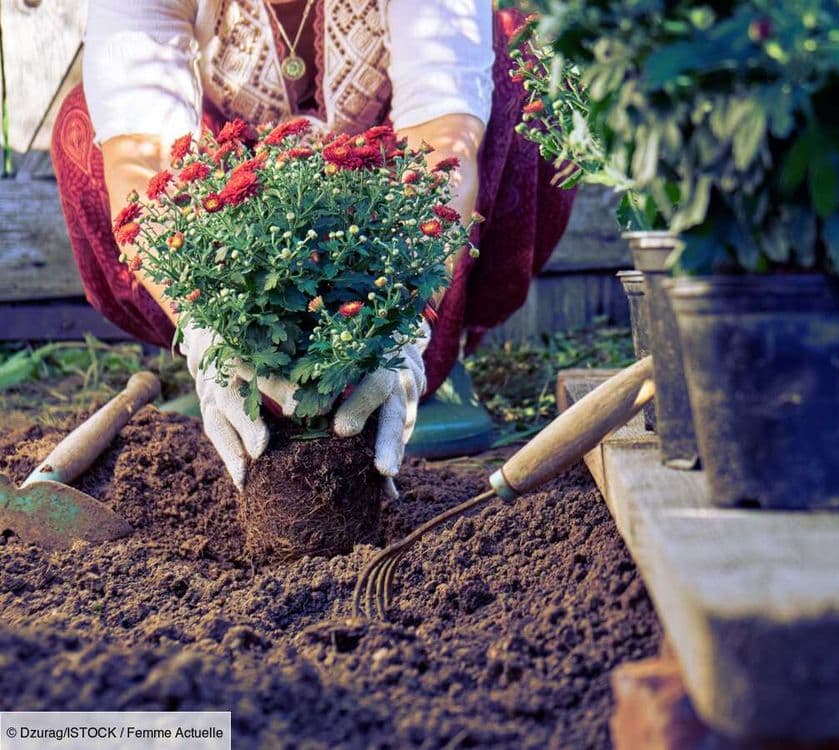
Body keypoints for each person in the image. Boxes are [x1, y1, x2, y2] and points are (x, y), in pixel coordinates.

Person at [51, 0, 575, 490]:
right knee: (86, 124)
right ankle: (239, 378)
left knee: (523, 70)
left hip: (378, 222)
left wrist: (403, 328)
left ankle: (421, 360)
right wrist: (205, 329)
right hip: (245, 240)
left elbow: (445, 142)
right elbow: (138, 160)